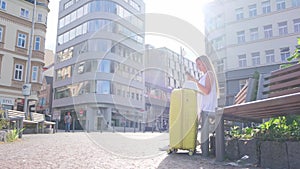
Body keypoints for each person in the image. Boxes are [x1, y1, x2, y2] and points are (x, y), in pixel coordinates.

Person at [187, 55, 219, 157]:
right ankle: (192, 143)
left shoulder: (209, 74)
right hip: (204, 108)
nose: (198, 67)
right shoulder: (205, 75)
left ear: (205, 63)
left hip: (208, 109)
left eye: (199, 64)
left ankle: (202, 149)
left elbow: (206, 91)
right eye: (197, 65)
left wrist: (194, 81)